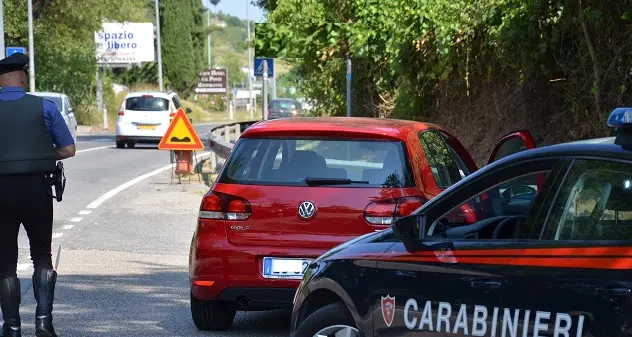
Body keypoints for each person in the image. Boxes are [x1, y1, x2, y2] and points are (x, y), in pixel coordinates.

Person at [0, 53, 75, 337]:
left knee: (5, 260)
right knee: (42, 254)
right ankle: (43, 323)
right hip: (37, 190)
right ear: (22, 76)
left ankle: (12, 326)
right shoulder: (44, 106)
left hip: (1, 192)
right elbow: (69, 149)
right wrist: (41, 156)